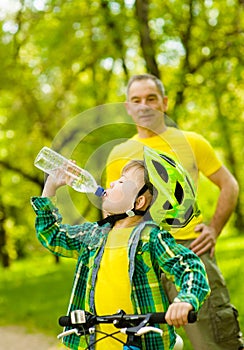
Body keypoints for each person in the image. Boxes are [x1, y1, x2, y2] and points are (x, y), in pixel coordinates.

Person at [105, 73, 243, 350]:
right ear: (128, 107)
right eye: (136, 100)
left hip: (189, 250)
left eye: (151, 99)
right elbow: (115, 214)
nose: (144, 105)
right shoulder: (118, 153)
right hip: (141, 258)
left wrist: (214, 228)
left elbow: (229, 184)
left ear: (164, 103)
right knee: (145, 343)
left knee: (214, 342)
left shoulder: (192, 142)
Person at [31, 149, 210, 350]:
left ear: (139, 202)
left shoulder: (151, 238)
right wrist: (50, 188)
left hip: (140, 342)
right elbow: (52, 236)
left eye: (122, 181)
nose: (112, 183)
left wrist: (185, 300)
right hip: (92, 341)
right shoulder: (94, 235)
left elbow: (189, 267)